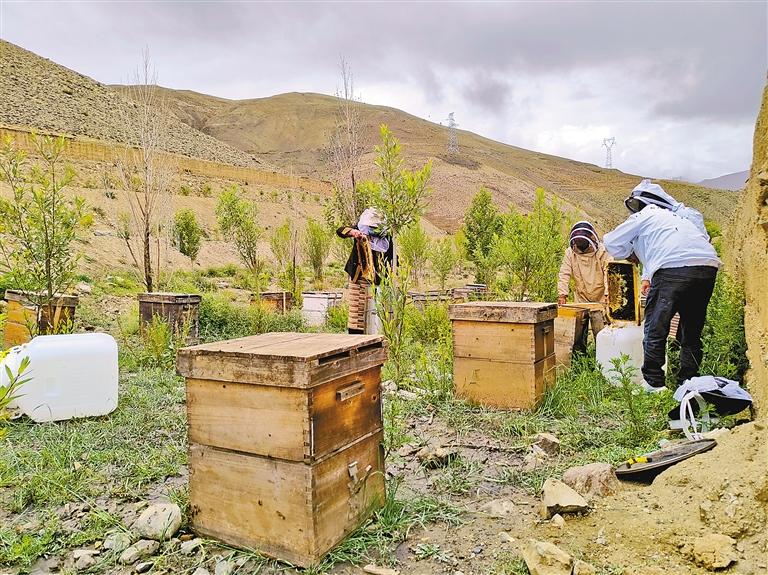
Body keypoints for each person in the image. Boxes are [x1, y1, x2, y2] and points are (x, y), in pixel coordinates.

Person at [603, 183, 721, 393]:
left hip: (672, 268)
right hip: (707, 268)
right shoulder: (680, 219)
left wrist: (629, 252)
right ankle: (688, 383)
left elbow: (611, 242)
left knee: (655, 327)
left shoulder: (647, 214)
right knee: (691, 330)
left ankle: (653, 384)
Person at [336, 208, 393, 334]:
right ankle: (354, 339)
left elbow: (391, 260)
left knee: (375, 312)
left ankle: (374, 338)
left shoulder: (386, 237)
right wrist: (352, 232)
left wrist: (388, 278)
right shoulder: (360, 229)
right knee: (356, 311)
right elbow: (340, 230)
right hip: (358, 276)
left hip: (378, 279)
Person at [558, 221, 611, 352]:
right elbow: (564, 273)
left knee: (601, 334)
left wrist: (608, 294)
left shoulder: (603, 252)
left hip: (601, 299)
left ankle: (601, 358)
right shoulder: (570, 253)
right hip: (581, 298)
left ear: (591, 239)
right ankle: (579, 358)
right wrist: (562, 294)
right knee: (578, 334)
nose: (580, 246)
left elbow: (609, 273)